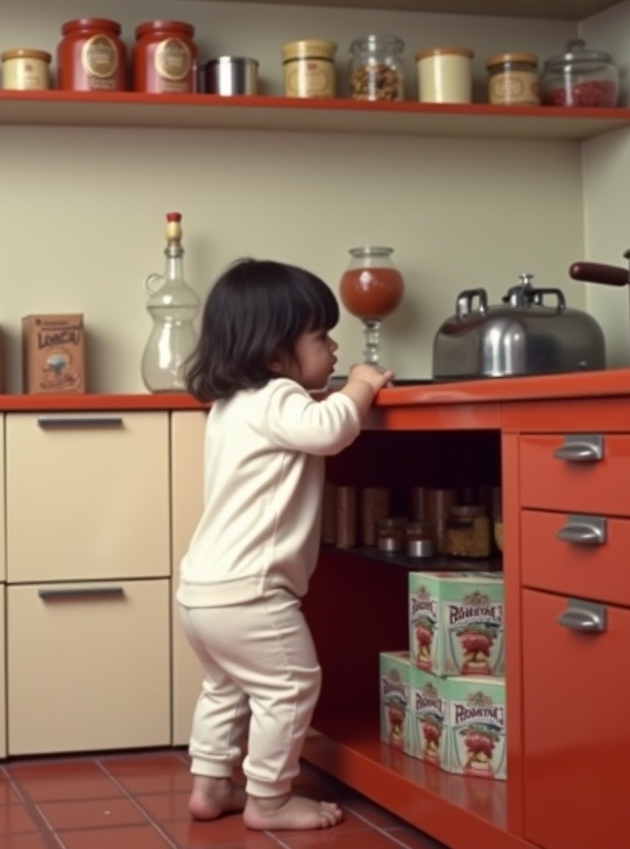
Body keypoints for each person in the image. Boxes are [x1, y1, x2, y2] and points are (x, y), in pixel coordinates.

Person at [177, 257, 395, 831]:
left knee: (225, 688)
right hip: (251, 593)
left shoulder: (228, 407)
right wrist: (361, 385)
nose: (332, 346)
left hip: (203, 592)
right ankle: (269, 800)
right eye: (321, 336)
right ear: (276, 356)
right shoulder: (278, 398)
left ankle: (210, 785)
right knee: (291, 686)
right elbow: (330, 430)